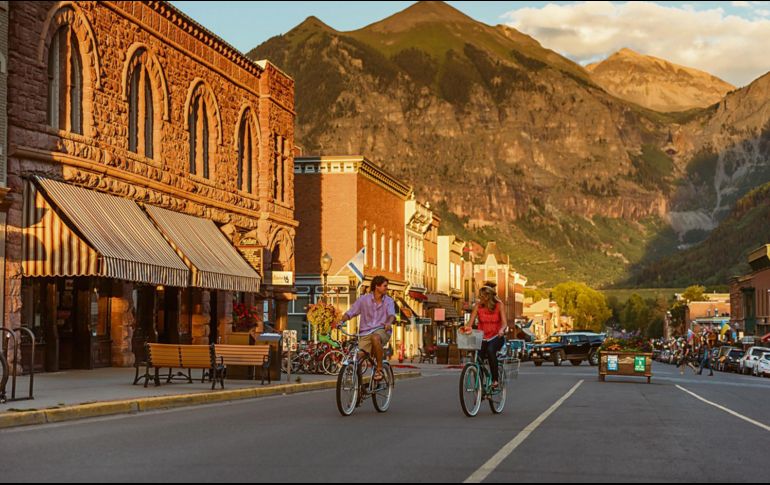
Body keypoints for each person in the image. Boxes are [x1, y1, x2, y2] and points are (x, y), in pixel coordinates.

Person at [338, 275, 394, 381]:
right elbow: (351, 312)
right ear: (377, 286)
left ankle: (379, 369)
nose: (387, 288)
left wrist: (388, 323)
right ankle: (359, 385)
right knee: (359, 357)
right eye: (385, 286)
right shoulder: (363, 300)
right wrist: (341, 321)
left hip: (382, 329)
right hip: (365, 332)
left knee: (375, 337)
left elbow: (391, 315)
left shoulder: (389, 301)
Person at [463, 284, 507, 389]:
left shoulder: (499, 305)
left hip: (496, 337)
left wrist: (501, 330)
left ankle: (495, 380)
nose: (479, 298)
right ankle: (480, 386)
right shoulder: (478, 306)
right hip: (482, 337)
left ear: (487, 297)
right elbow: (470, 323)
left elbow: (504, 323)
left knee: (491, 351)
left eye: (481, 296)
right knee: (478, 358)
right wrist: (465, 329)